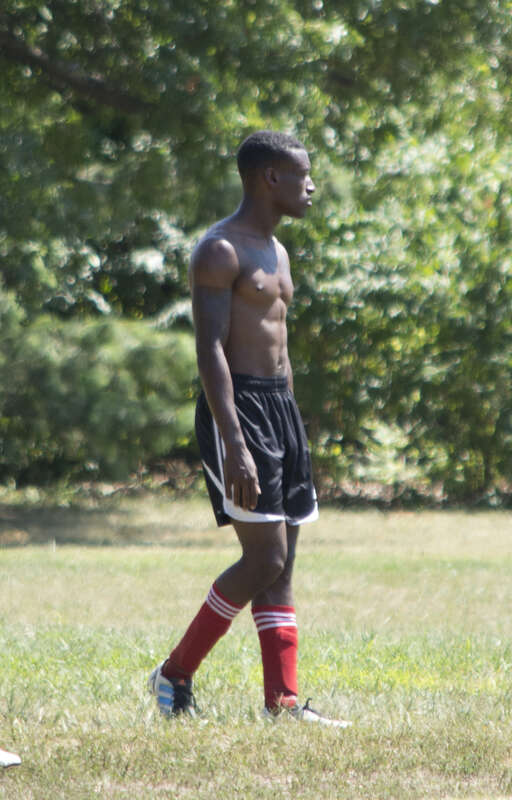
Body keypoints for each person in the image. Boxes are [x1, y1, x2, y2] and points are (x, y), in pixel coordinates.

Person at [148, 130, 350, 727]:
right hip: (237, 413)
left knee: (282, 563)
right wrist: (234, 441)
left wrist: (294, 426)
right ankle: (174, 673)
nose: (311, 185)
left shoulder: (279, 253)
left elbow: (278, 348)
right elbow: (209, 349)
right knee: (262, 558)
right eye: (301, 174)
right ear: (269, 178)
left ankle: (283, 702)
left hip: (281, 411)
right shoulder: (220, 251)